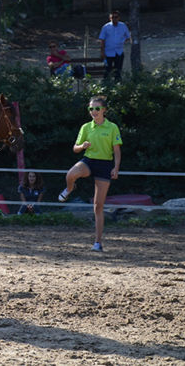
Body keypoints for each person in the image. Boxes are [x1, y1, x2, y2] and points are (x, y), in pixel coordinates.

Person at [58, 96, 122, 252]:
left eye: (97, 108)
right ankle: (70, 189)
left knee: (98, 207)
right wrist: (82, 146)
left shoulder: (112, 127)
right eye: (91, 109)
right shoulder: (86, 127)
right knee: (70, 175)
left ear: (104, 110)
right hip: (89, 160)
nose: (93, 111)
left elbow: (117, 151)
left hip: (105, 165)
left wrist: (116, 168)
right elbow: (75, 148)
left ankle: (98, 243)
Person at [99, 10, 131, 82]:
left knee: (118, 71)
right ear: (110, 18)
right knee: (107, 70)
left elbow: (128, 37)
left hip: (119, 52)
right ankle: (106, 86)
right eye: (112, 17)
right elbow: (102, 40)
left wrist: (122, 41)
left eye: (116, 17)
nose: (114, 19)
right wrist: (102, 52)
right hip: (108, 52)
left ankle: (118, 86)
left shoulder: (123, 26)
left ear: (119, 18)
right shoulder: (106, 27)